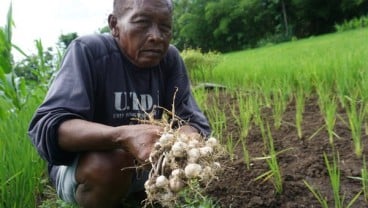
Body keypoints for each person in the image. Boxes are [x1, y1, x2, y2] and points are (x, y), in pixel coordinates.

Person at [28, 0, 211, 207]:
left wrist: (186, 141)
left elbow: (192, 120)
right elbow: (48, 127)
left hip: (143, 164)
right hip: (84, 168)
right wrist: (121, 136)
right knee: (110, 164)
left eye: (165, 27)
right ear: (114, 25)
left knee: (175, 156)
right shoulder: (89, 51)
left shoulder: (169, 59)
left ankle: (142, 194)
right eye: (142, 23)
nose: (156, 36)